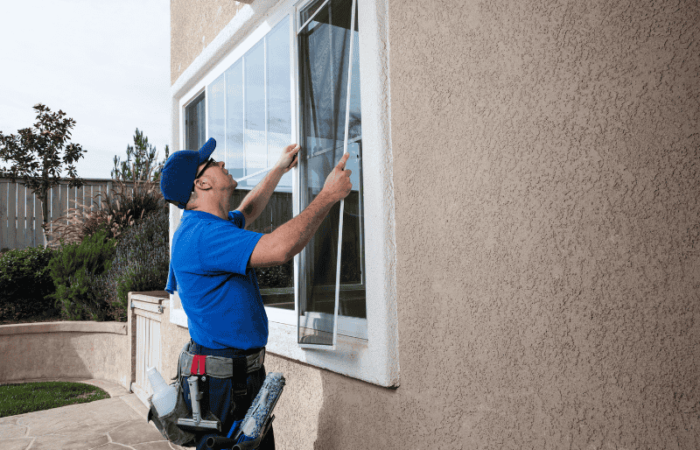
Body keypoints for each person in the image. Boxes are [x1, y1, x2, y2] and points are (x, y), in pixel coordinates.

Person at [159, 138, 352, 449]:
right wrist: (327, 196)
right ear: (203, 182)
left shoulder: (211, 224)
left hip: (236, 377)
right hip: (223, 386)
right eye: (213, 163)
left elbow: (248, 210)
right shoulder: (203, 237)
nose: (222, 164)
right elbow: (280, 248)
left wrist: (277, 170)